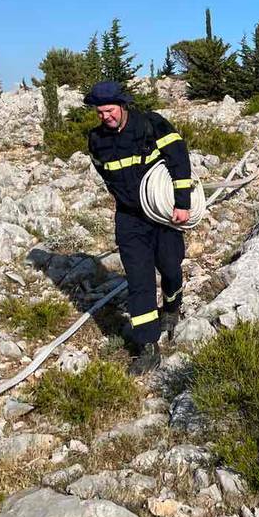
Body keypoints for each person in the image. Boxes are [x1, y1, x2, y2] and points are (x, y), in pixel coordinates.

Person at [85, 80, 192, 374]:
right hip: (129, 219)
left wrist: (181, 203)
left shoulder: (151, 125)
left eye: (109, 111)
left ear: (122, 106)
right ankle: (147, 346)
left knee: (170, 266)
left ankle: (171, 306)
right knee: (139, 280)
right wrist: (128, 201)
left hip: (163, 213)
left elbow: (179, 161)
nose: (105, 117)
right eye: (100, 113)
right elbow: (104, 174)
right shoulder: (96, 140)